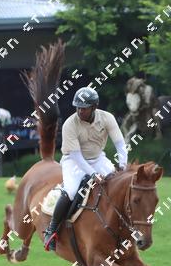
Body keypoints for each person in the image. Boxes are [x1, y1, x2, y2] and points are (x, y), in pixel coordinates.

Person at [43, 87, 128, 251]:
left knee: (116, 185)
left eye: (84, 108)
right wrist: (93, 174)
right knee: (71, 191)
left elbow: (120, 144)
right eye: (78, 107)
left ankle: (122, 222)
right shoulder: (70, 124)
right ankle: (51, 229)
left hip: (98, 158)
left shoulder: (107, 118)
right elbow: (76, 156)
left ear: (94, 107)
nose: (80, 111)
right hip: (73, 161)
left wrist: (123, 166)